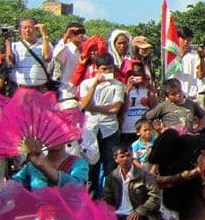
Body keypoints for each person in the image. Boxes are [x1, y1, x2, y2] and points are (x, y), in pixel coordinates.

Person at [79, 54, 126, 197]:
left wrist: (95, 108)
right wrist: (95, 85)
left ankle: (109, 198)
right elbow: (84, 105)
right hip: (91, 129)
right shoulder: (86, 83)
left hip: (109, 128)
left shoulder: (118, 85)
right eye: (103, 69)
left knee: (110, 165)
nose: (106, 72)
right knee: (92, 165)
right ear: (96, 69)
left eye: (109, 69)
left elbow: (115, 108)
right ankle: (91, 198)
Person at [5, 17, 54, 91]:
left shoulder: (45, 44)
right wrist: (8, 40)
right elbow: (10, 61)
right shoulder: (14, 45)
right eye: (24, 28)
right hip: (20, 89)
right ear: (20, 30)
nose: (27, 30)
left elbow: (47, 57)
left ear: (36, 29)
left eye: (30, 27)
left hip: (40, 89)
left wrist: (44, 34)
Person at [120, 60, 154, 146]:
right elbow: (122, 109)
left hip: (145, 130)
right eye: (133, 74)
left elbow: (153, 106)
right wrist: (128, 90)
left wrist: (150, 89)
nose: (136, 77)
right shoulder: (123, 87)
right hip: (128, 129)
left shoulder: (146, 88)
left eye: (139, 73)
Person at [51, 22, 87, 99]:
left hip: (83, 92)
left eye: (82, 32)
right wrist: (65, 37)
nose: (80, 35)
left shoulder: (85, 50)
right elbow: (55, 55)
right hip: (67, 92)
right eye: (76, 32)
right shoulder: (66, 49)